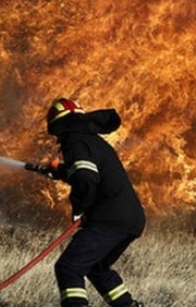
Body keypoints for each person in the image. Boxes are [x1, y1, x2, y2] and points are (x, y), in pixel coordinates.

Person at [42, 97, 146, 307]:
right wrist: (61, 171)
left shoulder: (74, 140)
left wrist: (80, 208)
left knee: (69, 267)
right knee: (97, 268)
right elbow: (87, 172)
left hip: (109, 218)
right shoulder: (92, 140)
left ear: (59, 125)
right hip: (130, 218)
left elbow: (86, 178)